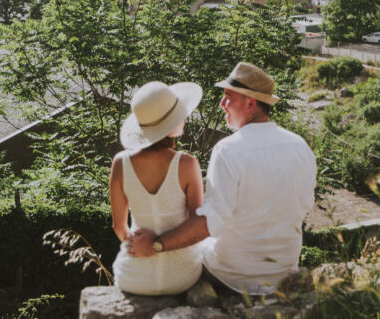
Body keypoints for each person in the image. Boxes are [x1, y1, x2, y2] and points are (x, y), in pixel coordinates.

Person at [127, 63, 317, 296]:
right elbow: (305, 204)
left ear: (250, 103)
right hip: (283, 273)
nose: (221, 104)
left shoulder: (229, 150)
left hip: (233, 277)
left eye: (228, 97)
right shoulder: (300, 146)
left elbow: (209, 223)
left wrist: (156, 244)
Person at [110, 80, 205, 295]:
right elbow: (197, 224)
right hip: (182, 275)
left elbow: (118, 227)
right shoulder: (188, 164)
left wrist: (138, 248)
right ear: (171, 126)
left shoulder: (120, 162)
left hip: (134, 276)